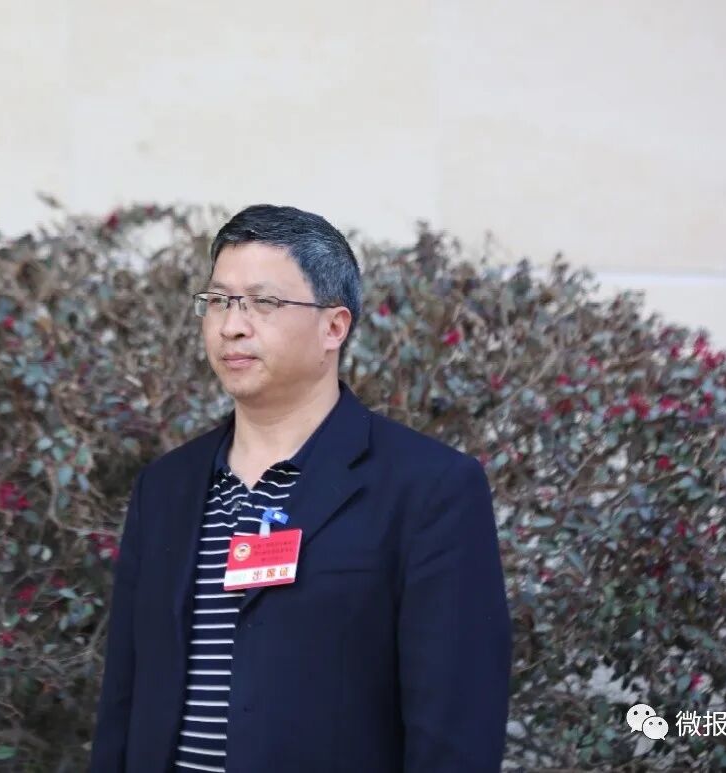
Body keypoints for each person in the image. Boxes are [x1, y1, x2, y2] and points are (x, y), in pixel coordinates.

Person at [87, 204, 511, 773]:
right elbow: (123, 700)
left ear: (334, 327)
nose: (232, 325)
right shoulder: (165, 488)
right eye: (219, 301)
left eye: (263, 302)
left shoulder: (429, 489)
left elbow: (455, 729)